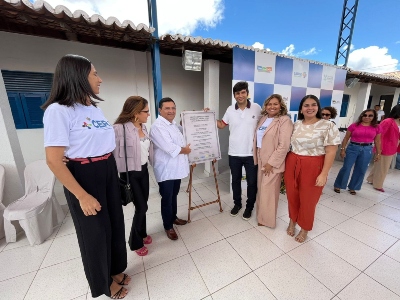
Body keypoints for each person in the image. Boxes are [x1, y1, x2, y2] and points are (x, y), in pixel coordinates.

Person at [42, 55, 129, 299]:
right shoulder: (58, 111)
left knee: (114, 224)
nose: (100, 79)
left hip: (107, 170)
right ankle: (103, 284)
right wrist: (81, 195)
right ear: (78, 76)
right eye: (95, 74)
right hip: (84, 176)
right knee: (94, 233)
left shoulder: (93, 108)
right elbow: (53, 160)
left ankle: (115, 270)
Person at [284, 95, 340, 243]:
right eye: (306, 105)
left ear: (318, 107)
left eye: (313, 105)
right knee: (292, 195)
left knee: (308, 199)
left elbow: (331, 151)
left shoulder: (328, 125)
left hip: (314, 164)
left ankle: (305, 228)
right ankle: (292, 221)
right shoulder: (296, 124)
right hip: (292, 162)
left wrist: (324, 174)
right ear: (301, 108)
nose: (310, 108)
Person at [113, 96, 152, 256]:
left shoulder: (144, 127)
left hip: (143, 170)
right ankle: (135, 242)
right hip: (130, 174)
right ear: (136, 112)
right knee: (142, 207)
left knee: (143, 205)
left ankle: (142, 233)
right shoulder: (119, 128)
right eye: (146, 112)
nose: (148, 115)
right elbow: (109, 150)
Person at [217, 81, 261, 220]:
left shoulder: (256, 108)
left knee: (252, 183)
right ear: (234, 95)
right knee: (235, 181)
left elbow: (264, 125)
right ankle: (237, 204)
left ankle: (249, 207)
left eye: (243, 92)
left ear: (247, 93)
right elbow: (222, 125)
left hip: (250, 153)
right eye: (237, 93)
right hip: (234, 153)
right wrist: (209, 116)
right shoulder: (230, 109)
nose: (240, 95)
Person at [149, 97, 190, 240]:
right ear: (160, 110)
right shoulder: (158, 127)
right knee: (167, 198)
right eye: (167, 108)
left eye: (173, 108)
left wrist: (190, 118)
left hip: (176, 169)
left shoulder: (172, 124)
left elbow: (184, 130)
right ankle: (168, 226)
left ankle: (174, 217)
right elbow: (169, 148)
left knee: (174, 195)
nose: (171, 111)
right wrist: (185, 151)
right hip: (166, 170)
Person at [253, 94, 293, 228]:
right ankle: (261, 216)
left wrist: (271, 163)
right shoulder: (264, 118)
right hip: (261, 159)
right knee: (262, 190)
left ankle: (267, 221)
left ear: (281, 105)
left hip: (272, 162)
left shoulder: (284, 120)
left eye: (275, 104)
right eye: (269, 104)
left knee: (269, 192)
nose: (272, 106)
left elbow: (284, 145)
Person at [333, 109, 381, 195]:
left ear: (374, 117)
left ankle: (353, 187)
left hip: (367, 149)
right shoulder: (354, 126)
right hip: (353, 148)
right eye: (365, 115)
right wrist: (342, 149)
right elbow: (346, 138)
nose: (367, 117)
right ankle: (339, 185)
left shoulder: (377, 127)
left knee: (361, 169)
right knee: (346, 167)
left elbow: (377, 141)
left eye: (370, 115)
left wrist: (378, 153)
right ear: (361, 116)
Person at [367, 104, 400, 192]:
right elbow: (379, 135)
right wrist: (379, 148)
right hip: (385, 147)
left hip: (394, 146)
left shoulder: (398, 121)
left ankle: (371, 179)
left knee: (379, 165)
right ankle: (378, 185)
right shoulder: (388, 121)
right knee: (383, 167)